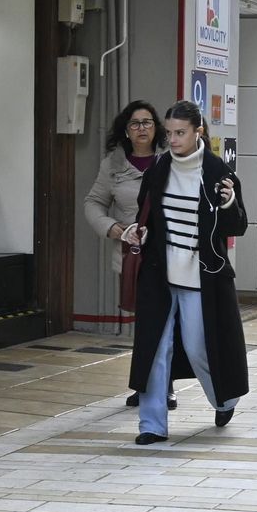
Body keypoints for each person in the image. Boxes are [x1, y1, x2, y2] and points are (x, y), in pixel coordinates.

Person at [122, 101, 249, 444]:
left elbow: (238, 225)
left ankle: (224, 399)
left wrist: (227, 203)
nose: (173, 139)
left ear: (198, 132)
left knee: (197, 347)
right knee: (155, 350)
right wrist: (140, 232)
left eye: (180, 132)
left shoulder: (217, 172)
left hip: (201, 277)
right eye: (170, 133)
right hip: (159, 274)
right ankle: (151, 424)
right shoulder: (159, 169)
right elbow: (146, 215)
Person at [84, 101, 174, 410]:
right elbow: (93, 202)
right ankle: (146, 384)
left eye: (147, 122)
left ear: (156, 127)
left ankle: (164, 385)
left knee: (166, 319)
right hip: (133, 255)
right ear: (126, 130)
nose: (142, 129)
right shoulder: (113, 164)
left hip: (170, 252)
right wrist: (114, 228)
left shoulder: (172, 160)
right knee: (146, 322)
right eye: (135, 124)